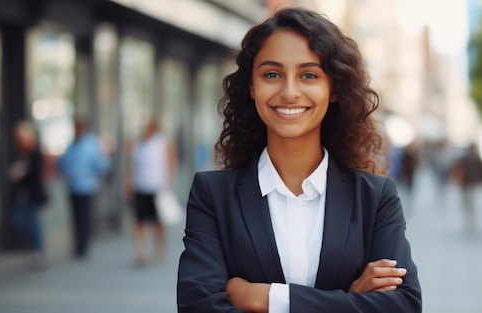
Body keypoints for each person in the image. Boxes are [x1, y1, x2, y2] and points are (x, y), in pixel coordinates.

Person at [177, 7, 421, 313]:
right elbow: (198, 306)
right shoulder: (212, 194)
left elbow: (404, 306)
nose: (290, 92)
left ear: (333, 89)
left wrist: (264, 298)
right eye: (272, 74)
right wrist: (350, 297)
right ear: (252, 87)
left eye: (308, 75)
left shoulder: (374, 197)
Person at [57, 119, 110, 260]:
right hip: (73, 186)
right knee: (76, 217)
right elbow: (63, 162)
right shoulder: (72, 145)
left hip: (86, 186)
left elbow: (102, 164)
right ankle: (78, 244)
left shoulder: (91, 144)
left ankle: (84, 246)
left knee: (85, 217)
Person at [128, 118, 177, 266]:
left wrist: (168, 183)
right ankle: (141, 252)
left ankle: (160, 249)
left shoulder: (163, 143)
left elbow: (171, 163)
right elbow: (133, 166)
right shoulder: (139, 145)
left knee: (158, 222)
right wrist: (129, 183)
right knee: (139, 221)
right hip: (140, 187)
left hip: (157, 188)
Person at [9, 120, 48, 269]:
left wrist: (22, 173)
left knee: (33, 223)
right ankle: (33, 246)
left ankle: (37, 251)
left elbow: (36, 173)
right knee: (17, 222)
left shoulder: (35, 152)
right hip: (20, 195)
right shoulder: (18, 151)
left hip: (32, 194)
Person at [450, 143, 482, 233]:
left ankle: (469, 220)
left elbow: (458, 169)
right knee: (472, 201)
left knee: (467, 201)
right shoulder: (477, 158)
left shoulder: (465, 158)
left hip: (466, 183)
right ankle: (472, 220)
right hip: (474, 182)